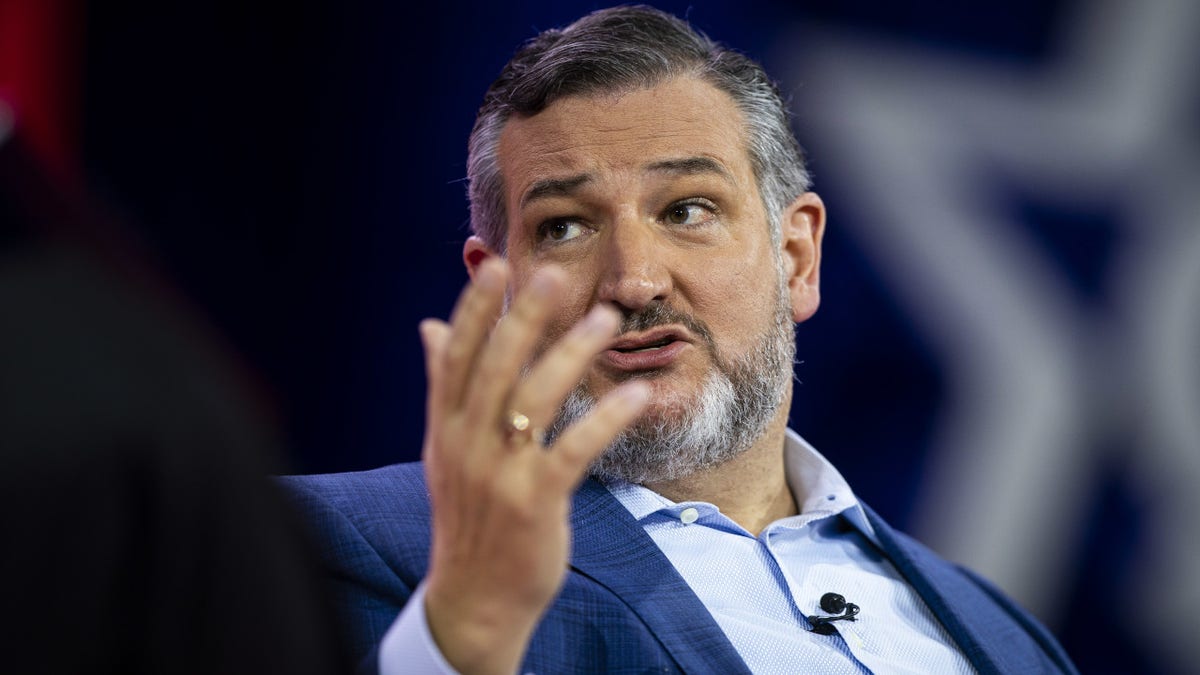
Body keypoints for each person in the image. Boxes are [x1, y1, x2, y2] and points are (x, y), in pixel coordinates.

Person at [281, 6, 1078, 674]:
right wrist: (458, 643)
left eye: (687, 210)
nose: (634, 280)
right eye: (563, 226)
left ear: (797, 257)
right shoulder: (348, 545)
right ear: (497, 287)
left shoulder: (1006, 633)